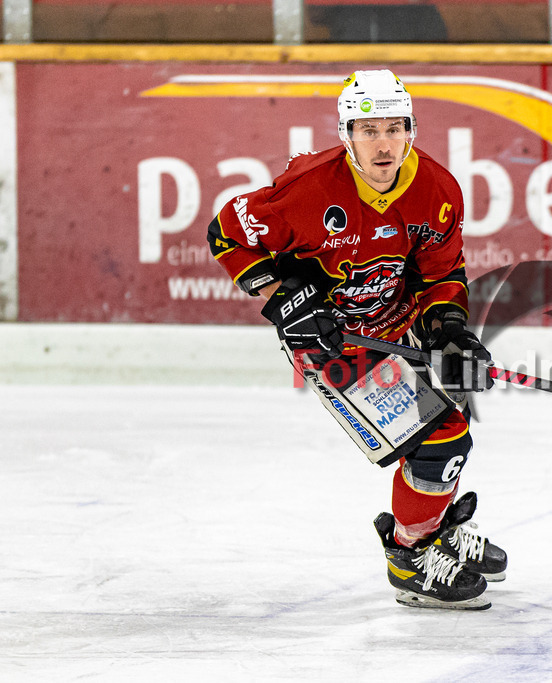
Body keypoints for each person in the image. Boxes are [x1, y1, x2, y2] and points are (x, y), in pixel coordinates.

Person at [206, 69, 506, 610]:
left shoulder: (437, 189)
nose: (384, 144)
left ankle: (434, 528)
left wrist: (449, 329)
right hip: (334, 343)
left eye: (394, 128)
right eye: (369, 131)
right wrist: (284, 301)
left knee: (451, 424)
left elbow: (441, 271)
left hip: (401, 323)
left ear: (411, 130)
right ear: (347, 134)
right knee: (440, 442)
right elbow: (226, 233)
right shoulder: (309, 190)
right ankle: (409, 555)